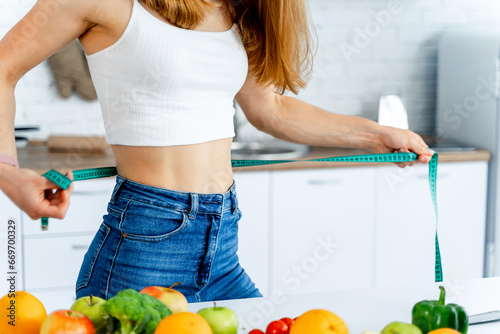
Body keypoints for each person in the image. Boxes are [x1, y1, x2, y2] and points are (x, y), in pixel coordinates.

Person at [0, 0, 434, 302]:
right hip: (146, 244)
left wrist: (377, 135)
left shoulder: (235, 11)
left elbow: (271, 110)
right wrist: (7, 170)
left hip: (222, 241)